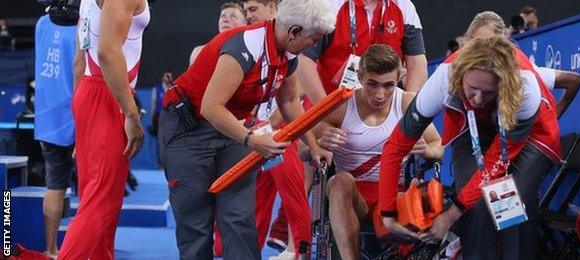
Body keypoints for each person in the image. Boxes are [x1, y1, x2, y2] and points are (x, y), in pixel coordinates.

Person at [158, 0, 335, 258]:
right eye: (314, 38)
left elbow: (288, 102)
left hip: (234, 128)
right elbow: (211, 107)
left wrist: (313, 144)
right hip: (189, 130)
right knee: (196, 222)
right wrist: (251, 140)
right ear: (294, 32)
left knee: (239, 217)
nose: (314, 45)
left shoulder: (290, 53)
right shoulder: (244, 46)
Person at [379, 36, 561, 259]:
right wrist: (387, 213)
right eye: (473, 88)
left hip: (532, 132)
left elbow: (497, 163)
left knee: (514, 201)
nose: (478, 98)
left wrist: (450, 215)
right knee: (472, 203)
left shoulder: (525, 90)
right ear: (460, 75)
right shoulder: (443, 79)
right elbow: (396, 146)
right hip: (473, 127)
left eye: (488, 92)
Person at [316, 44, 443, 259]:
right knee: (339, 181)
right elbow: (304, 150)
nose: (380, 94)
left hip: (394, 195)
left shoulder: (406, 103)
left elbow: (438, 145)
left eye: (388, 85)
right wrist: (320, 142)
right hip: (354, 198)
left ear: (400, 78)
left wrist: (428, 151)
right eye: (372, 84)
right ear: (360, 76)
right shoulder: (341, 105)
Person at [58, 0, 149, 258]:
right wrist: (131, 113)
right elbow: (107, 53)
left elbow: (79, 61)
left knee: (100, 199)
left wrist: (82, 128)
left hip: (88, 91)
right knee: (101, 201)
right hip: (108, 94)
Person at [299, 0, 428, 105]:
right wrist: (323, 107)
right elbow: (304, 59)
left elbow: (417, 61)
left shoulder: (404, 6)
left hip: (383, 108)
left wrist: (409, 108)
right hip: (335, 104)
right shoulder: (329, 5)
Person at [466, 11, 580, 118]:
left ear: (501, 43)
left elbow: (574, 80)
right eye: (475, 43)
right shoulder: (459, 71)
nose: (480, 50)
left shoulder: (523, 74)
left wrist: (554, 117)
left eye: (488, 42)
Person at [33, 1, 79, 257]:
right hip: (77, 117)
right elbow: (80, 71)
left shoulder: (41, 24)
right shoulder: (81, 29)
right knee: (91, 189)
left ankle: (50, 250)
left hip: (47, 117)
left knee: (55, 186)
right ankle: (83, 248)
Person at [188, 2, 248, 66]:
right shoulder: (199, 51)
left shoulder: (251, 52)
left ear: (245, 24)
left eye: (233, 16)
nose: (225, 20)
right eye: (223, 16)